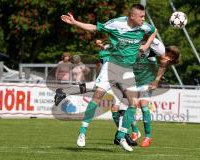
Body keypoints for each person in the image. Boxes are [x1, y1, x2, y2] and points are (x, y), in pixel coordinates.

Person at [61, 4, 158, 152]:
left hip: (127, 71)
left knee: (133, 103)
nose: (144, 19)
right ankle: (82, 132)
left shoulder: (144, 27)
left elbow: (154, 30)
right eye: (141, 16)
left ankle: (121, 135)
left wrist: (146, 46)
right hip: (111, 67)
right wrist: (75, 23)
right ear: (132, 16)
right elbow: (94, 27)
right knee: (97, 96)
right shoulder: (116, 24)